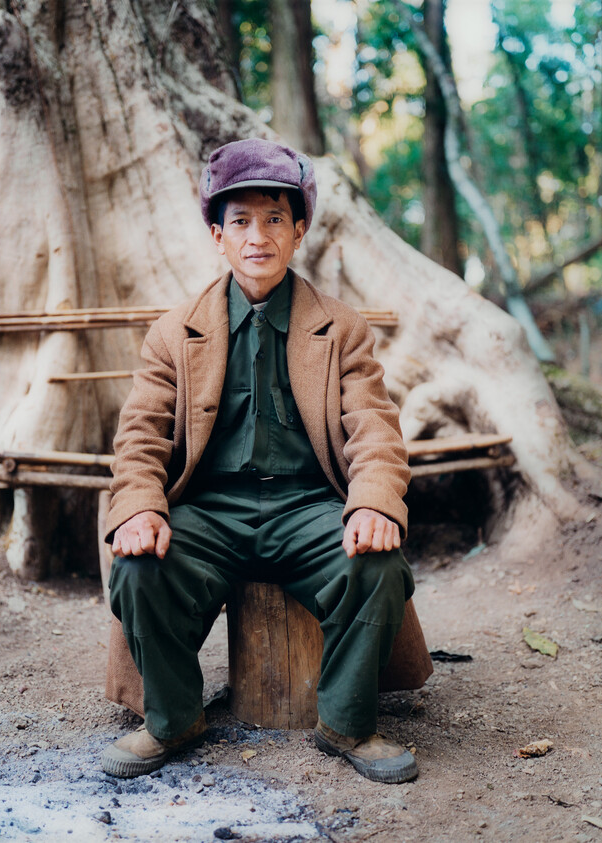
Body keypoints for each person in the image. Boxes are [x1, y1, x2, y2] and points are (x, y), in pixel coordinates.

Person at [101, 138, 417, 784]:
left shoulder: (341, 327)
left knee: (379, 562)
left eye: (275, 219)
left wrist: (373, 501)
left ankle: (347, 720)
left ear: (299, 230)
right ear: (216, 235)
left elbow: (375, 430)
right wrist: (138, 507)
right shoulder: (173, 332)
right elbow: (138, 437)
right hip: (209, 513)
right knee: (135, 566)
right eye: (240, 221)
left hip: (309, 509)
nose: (257, 236)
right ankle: (173, 716)